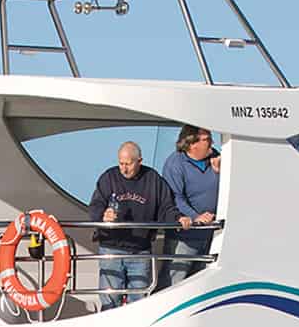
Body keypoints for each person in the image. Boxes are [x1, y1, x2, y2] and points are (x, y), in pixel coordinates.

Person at [87, 140, 176, 309]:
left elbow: (166, 208)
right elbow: (95, 206)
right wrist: (102, 215)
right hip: (111, 248)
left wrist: (179, 219)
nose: (124, 168)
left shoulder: (153, 179)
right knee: (109, 302)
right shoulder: (109, 177)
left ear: (139, 161)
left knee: (140, 303)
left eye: (128, 164)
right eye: (121, 163)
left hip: (140, 250)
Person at [158, 125, 220, 283]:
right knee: (174, 280)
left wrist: (221, 171)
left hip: (212, 234)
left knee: (203, 282)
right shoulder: (175, 163)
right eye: (207, 140)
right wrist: (196, 217)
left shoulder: (216, 158)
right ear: (192, 143)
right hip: (185, 236)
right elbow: (175, 197)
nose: (211, 143)